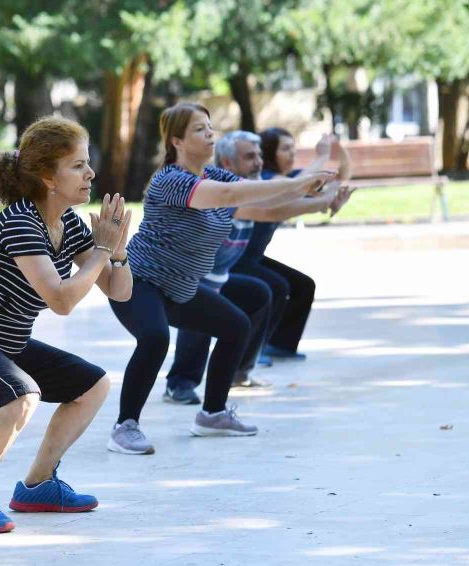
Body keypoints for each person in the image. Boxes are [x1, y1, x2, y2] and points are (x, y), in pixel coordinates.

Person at [0, 116, 133, 533]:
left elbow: (120, 290)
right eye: (78, 165)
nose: (91, 173)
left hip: (8, 341)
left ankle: (37, 486)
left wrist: (117, 251)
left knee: (93, 384)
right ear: (47, 177)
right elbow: (60, 300)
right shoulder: (21, 222)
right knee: (21, 396)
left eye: (87, 163)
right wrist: (100, 251)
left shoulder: (69, 224)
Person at [107, 103, 335, 455]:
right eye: (200, 129)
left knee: (235, 326)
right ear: (177, 140)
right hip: (139, 280)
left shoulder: (217, 177)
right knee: (154, 338)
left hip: (180, 288)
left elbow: (264, 206)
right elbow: (233, 196)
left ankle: (212, 415)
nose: (210, 133)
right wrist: (304, 183)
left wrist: (319, 200)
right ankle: (125, 427)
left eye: (210, 126)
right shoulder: (171, 180)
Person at [163, 130, 351, 403]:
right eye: (250, 156)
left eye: (260, 155)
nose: (259, 162)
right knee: (203, 312)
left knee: (259, 293)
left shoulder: (251, 186)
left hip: (220, 273)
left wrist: (327, 197)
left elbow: (282, 198)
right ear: (228, 163)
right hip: (187, 277)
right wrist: (321, 185)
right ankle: (179, 383)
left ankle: (240, 372)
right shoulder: (221, 188)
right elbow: (269, 209)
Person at [233, 128, 354, 361]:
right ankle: (253, 350)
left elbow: (339, 178)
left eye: (294, 149)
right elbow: (294, 187)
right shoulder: (264, 180)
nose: (292, 154)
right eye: (285, 149)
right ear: (270, 153)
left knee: (302, 286)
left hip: (253, 257)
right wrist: (321, 158)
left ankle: (280, 345)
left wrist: (338, 151)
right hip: (235, 257)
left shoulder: (291, 179)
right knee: (277, 286)